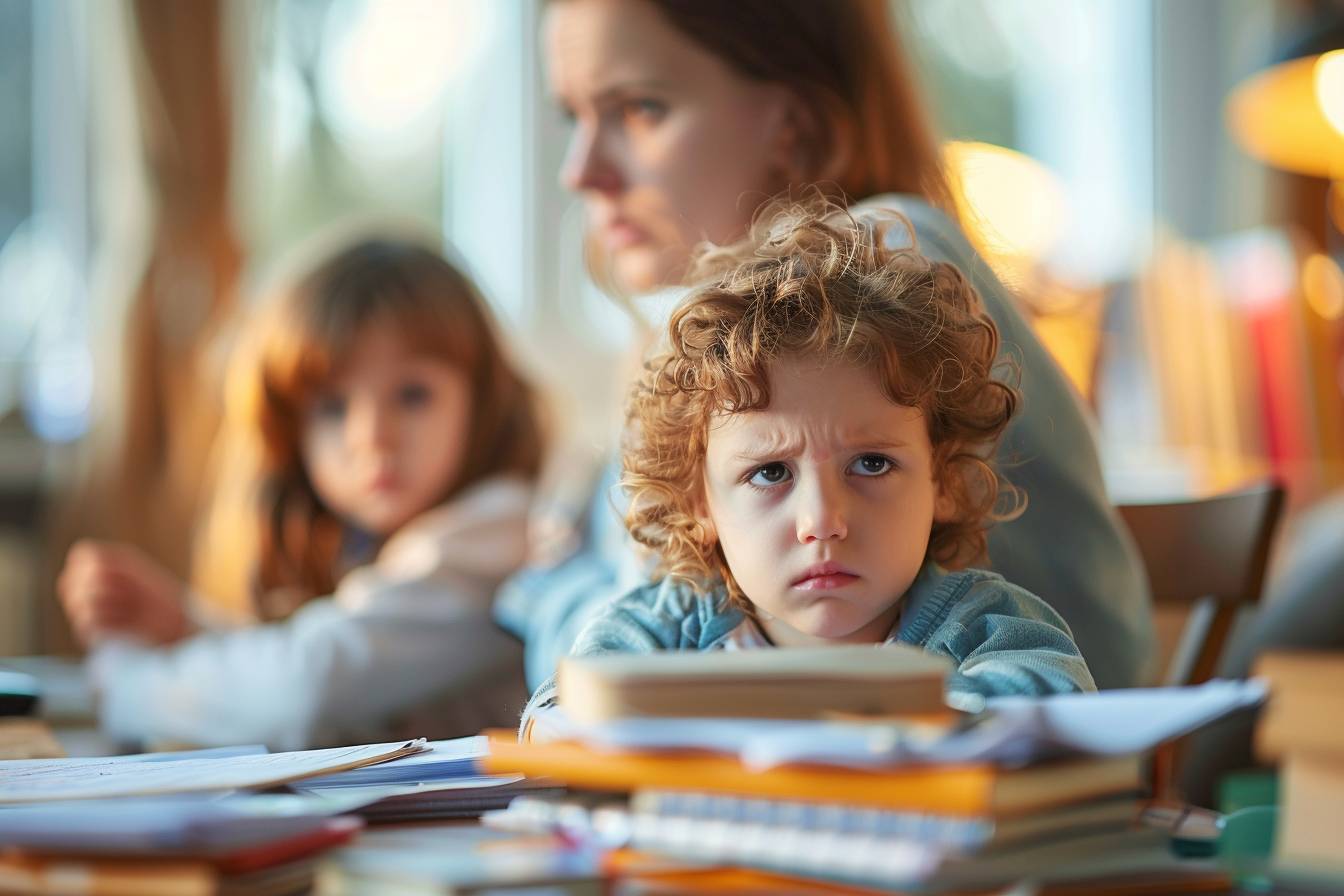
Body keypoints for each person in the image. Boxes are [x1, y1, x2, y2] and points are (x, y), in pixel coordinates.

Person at [496, 0, 1152, 692]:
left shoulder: (884, 276)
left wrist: (539, 585)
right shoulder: (731, 353)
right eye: (575, 117)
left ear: (793, 121)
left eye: (640, 109)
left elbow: (626, 671)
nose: (579, 170)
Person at [522, 204, 1095, 730]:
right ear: (701, 503)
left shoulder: (984, 625)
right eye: (771, 473)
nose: (823, 521)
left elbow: (1055, 709)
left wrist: (887, 715)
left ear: (941, 479)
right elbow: (555, 719)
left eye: (871, 463)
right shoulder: (665, 626)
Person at [57, 232, 544, 750]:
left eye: (412, 395)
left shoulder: (499, 529)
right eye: (333, 407)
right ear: (293, 431)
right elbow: (332, 654)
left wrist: (126, 684)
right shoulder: (375, 545)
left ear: (483, 401)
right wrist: (188, 627)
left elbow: (310, 686)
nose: (371, 436)